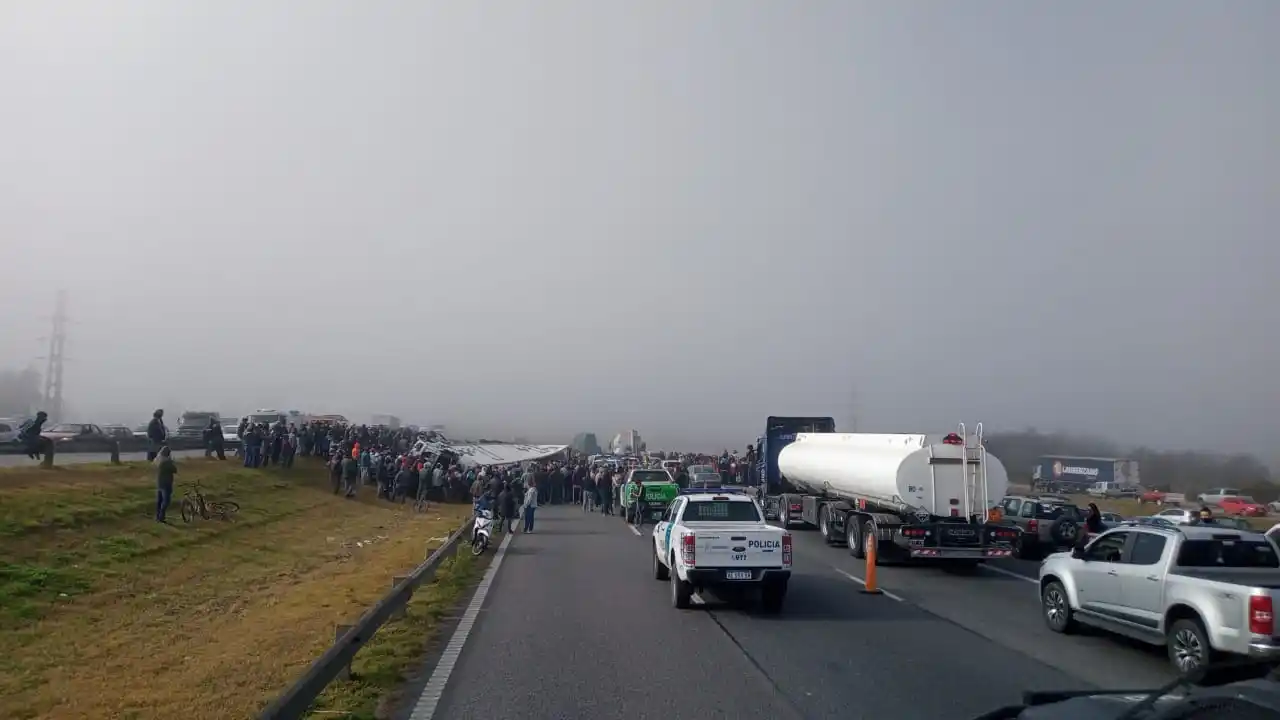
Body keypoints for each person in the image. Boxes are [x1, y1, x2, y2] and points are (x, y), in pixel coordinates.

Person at [155, 446, 178, 523]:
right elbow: (174, 470)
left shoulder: (158, 460)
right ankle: (161, 516)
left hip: (160, 482)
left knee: (159, 500)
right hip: (167, 483)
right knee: (166, 501)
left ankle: (157, 516)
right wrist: (171, 461)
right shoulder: (167, 462)